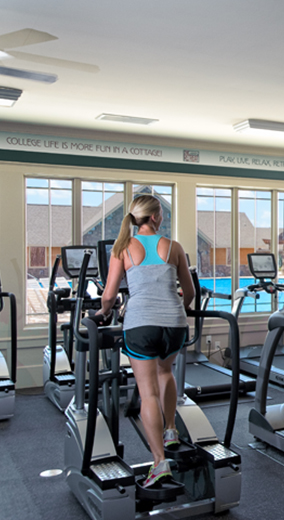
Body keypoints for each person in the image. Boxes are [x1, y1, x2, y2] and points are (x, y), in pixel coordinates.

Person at [99, 194, 194, 487]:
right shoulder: (174, 247)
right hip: (174, 324)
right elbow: (188, 292)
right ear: (155, 217)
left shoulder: (123, 247)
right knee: (166, 372)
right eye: (161, 213)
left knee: (147, 392)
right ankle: (170, 430)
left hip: (141, 324)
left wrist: (102, 313)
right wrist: (183, 307)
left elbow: (109, 295)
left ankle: (159, 462)